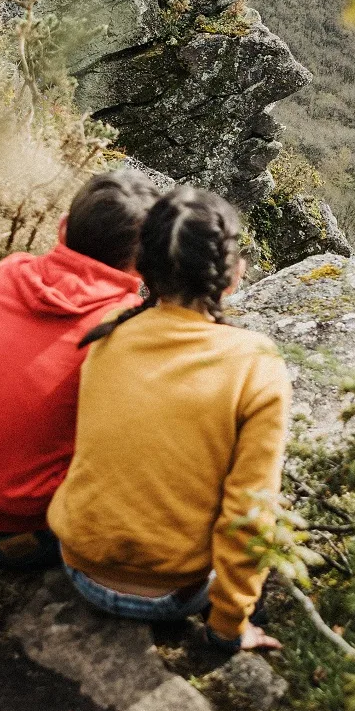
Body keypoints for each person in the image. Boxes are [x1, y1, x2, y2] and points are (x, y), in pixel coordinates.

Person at [47, 187, 289, 652]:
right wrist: (228, 628)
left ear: (143, 267)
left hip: (80, 568)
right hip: (175, 592)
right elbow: (251, 513)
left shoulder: (108, 333)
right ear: (234, 276)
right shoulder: (256, 361)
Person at [0, 169, 160, 570]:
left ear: (62, 227)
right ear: (143, 262)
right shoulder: (121, 325)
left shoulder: (11, 270)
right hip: (25, 530)